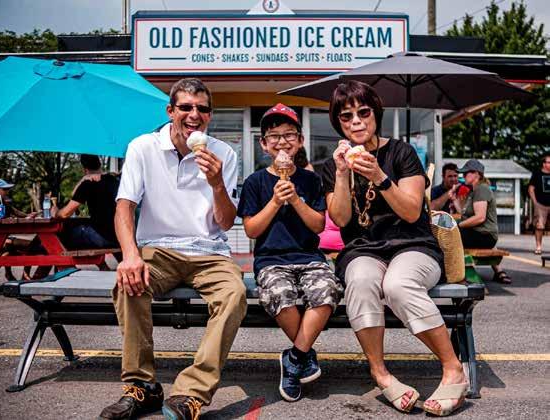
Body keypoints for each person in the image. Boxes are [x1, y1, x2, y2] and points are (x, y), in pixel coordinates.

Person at [99, 78, 247, 420]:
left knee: (234, 295)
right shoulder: (143, 147)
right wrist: (130, 255)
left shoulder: (224, 154)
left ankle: (191, 394)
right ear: (170, 111)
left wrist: (217, 184)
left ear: (209, 115)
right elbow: (124, 206)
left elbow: (226, 222)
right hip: (158, 249)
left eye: (202, 109)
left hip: (210, 252)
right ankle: (142, 386)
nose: (195, 115)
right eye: (186, 107)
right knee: (128, 284)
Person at [322, 81, 468, 416]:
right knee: (360, 281)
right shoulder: (333, 165)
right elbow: (340, 218)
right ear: (338, 123)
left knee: (398, 285)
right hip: (363, 249)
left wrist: (379, 176)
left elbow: (412, 211)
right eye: (346, 117)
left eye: (363, 112)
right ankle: (381, 374)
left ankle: (453, 369)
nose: (356, 121)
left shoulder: (401, 153)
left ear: (376, 114)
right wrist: (342, 175)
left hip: (413, 244)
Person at [237, 103, 343, 402]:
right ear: (263, 144)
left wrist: (295, 200)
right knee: (279, 294)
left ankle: (294, 357)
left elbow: (318, 225)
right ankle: (305, 355)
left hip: (308, 257)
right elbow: (251, 230)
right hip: (271, 260)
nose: (282, 142)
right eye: (274, 136)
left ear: (300, 141)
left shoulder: (311, 180)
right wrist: (274, 202)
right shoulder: (256, 182)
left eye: (289, 135)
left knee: (327, 290)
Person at [450, 159, 511, 284]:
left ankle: (457, 275)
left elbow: (480, 217)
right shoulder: (473, 191)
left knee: (449, 236)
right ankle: (458, 273)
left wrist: (457, 226)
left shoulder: (481, 189)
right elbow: (465, 215)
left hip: (484, 236)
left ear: (476, 174)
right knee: (448, 234)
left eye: (466, 173)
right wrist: (455, 200)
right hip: (479, 234)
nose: (463, 176)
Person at [52, 155, 119, 251]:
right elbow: (74, 194)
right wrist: (83, 179)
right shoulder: (113, 180)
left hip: (101, 237)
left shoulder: (88, 183)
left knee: (58, 235)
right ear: (100, 164)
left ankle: (39, 255)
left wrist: (55, 212)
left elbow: (65, 214)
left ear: (84, 169)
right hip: (118, 237)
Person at [0, 179, 44, 280]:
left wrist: (29, 215)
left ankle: (21, 274)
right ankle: (22, 275)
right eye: (5, 189)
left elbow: (18, 213)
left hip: (4, 238)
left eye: (8, 189)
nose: (7, 191)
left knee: (34, 242)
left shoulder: (4, 203)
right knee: (29, 245)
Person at [527, 154, 550, 254]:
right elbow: (531, 189)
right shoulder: (537, 174)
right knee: (539, 226)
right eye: (549, 162)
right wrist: (535, 202)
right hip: (541, 204)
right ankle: (538, 247)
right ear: (544, 164)